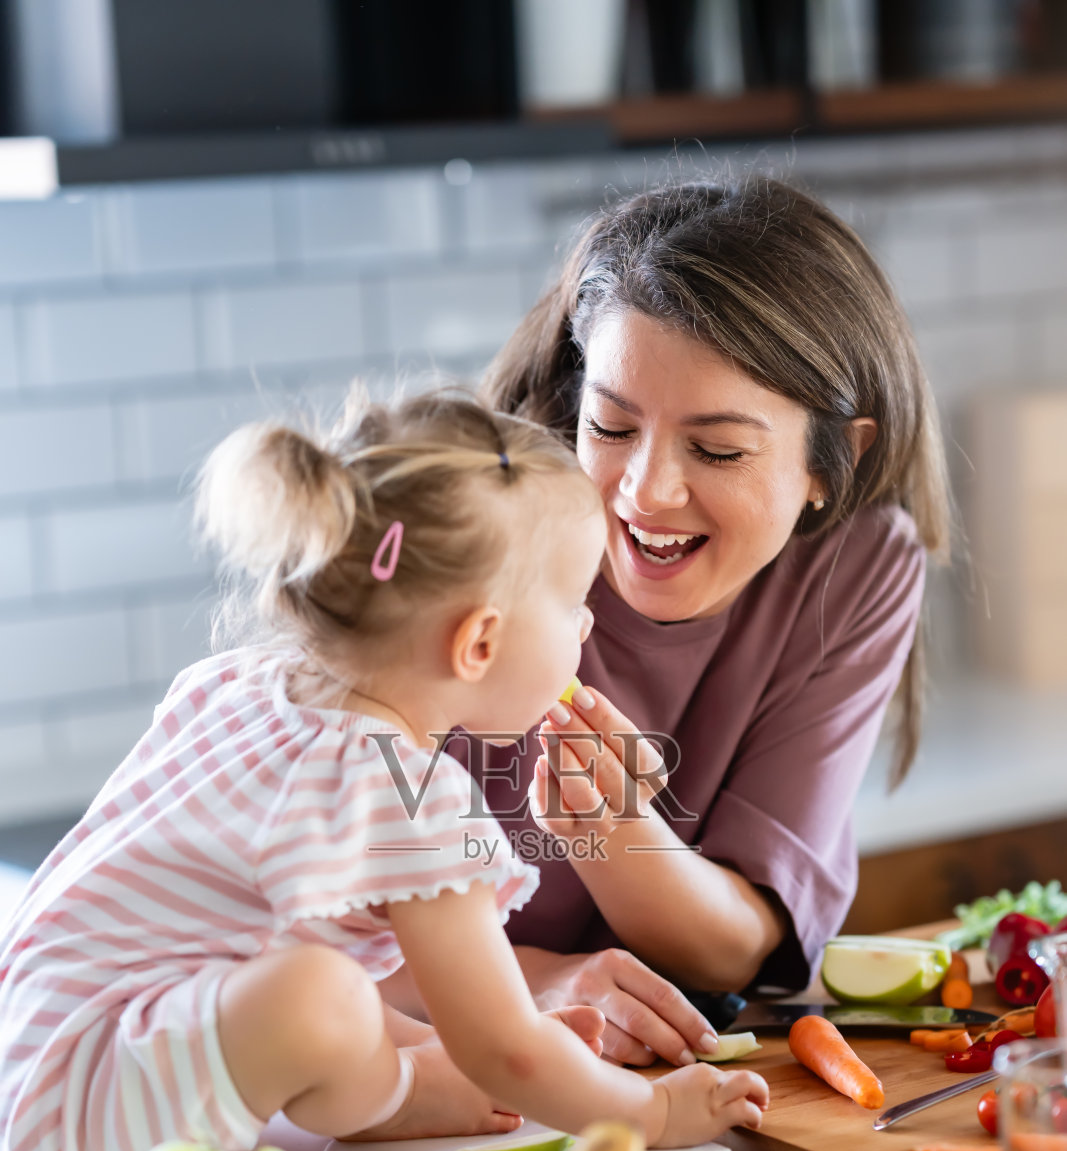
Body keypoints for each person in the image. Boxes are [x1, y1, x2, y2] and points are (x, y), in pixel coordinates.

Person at [0, 391, 768, 1151]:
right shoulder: (410, 791)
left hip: (36, 1057)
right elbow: (503, 1049)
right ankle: (396, 1097)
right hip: (88, 1116)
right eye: (574, 605)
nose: (583, 631)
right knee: (318, 994)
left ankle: (405, 1076)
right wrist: (653, 1113)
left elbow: (248, 945)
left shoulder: (238, 686)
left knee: (312, 974)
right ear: (479, 642)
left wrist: (478, 1034)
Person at [391, 175, 950, 1072]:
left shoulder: (856, 564)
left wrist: (613, 829)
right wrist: (530, 985)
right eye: (610, 427)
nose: (645, 492)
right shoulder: (463, 531)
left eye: (717, 449)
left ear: (831, 462)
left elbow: (737, 948)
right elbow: (277, 940)